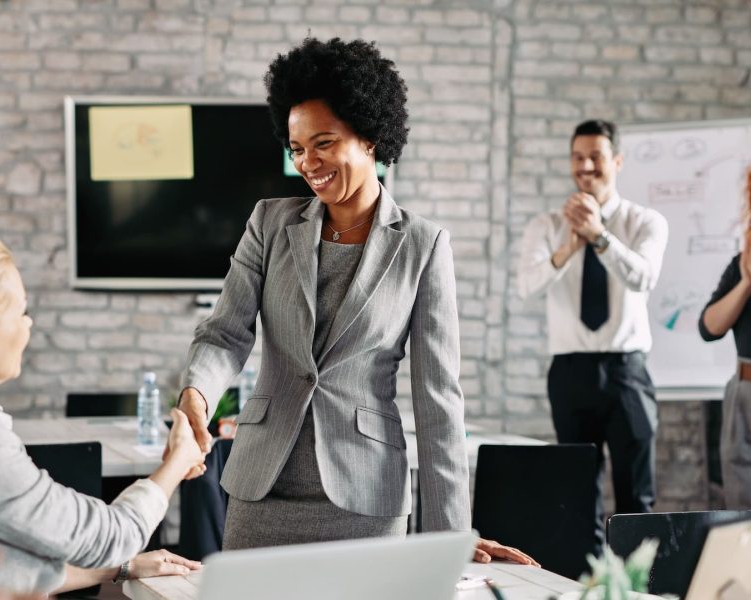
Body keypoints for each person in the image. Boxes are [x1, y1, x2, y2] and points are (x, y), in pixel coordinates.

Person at [175, 37, 536, 566]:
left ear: (369, 138)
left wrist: (450, 535)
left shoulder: (422, 245)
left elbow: (439, 400)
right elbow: (226, 332)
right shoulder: (270, 224)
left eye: (323, 143)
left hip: (365, 495)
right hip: (262, 490)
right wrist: (196, 395)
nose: (307, 162)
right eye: (297, 148)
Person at [0, 232, 205, 595]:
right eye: (21, 312)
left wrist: (119, 568)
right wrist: (178, 461)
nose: (29, 324)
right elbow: (116, 535)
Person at [517, 119, 669, 552]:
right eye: (577, 157)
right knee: (577, 496)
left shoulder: (645, 221)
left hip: (627, 372)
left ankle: (637, 590)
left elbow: (644, 278)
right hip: (570, 371)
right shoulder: (546, 225)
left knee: (636, 497)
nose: (585, 165)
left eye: (596, 156)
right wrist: (569, 245)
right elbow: (527, 286)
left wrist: (600, 236)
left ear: (616, 161)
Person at [699, 167, 751, 509]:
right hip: (742, 390)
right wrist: (746, 282)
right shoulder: (740, 264)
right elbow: (709, 327)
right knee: (739, 504)